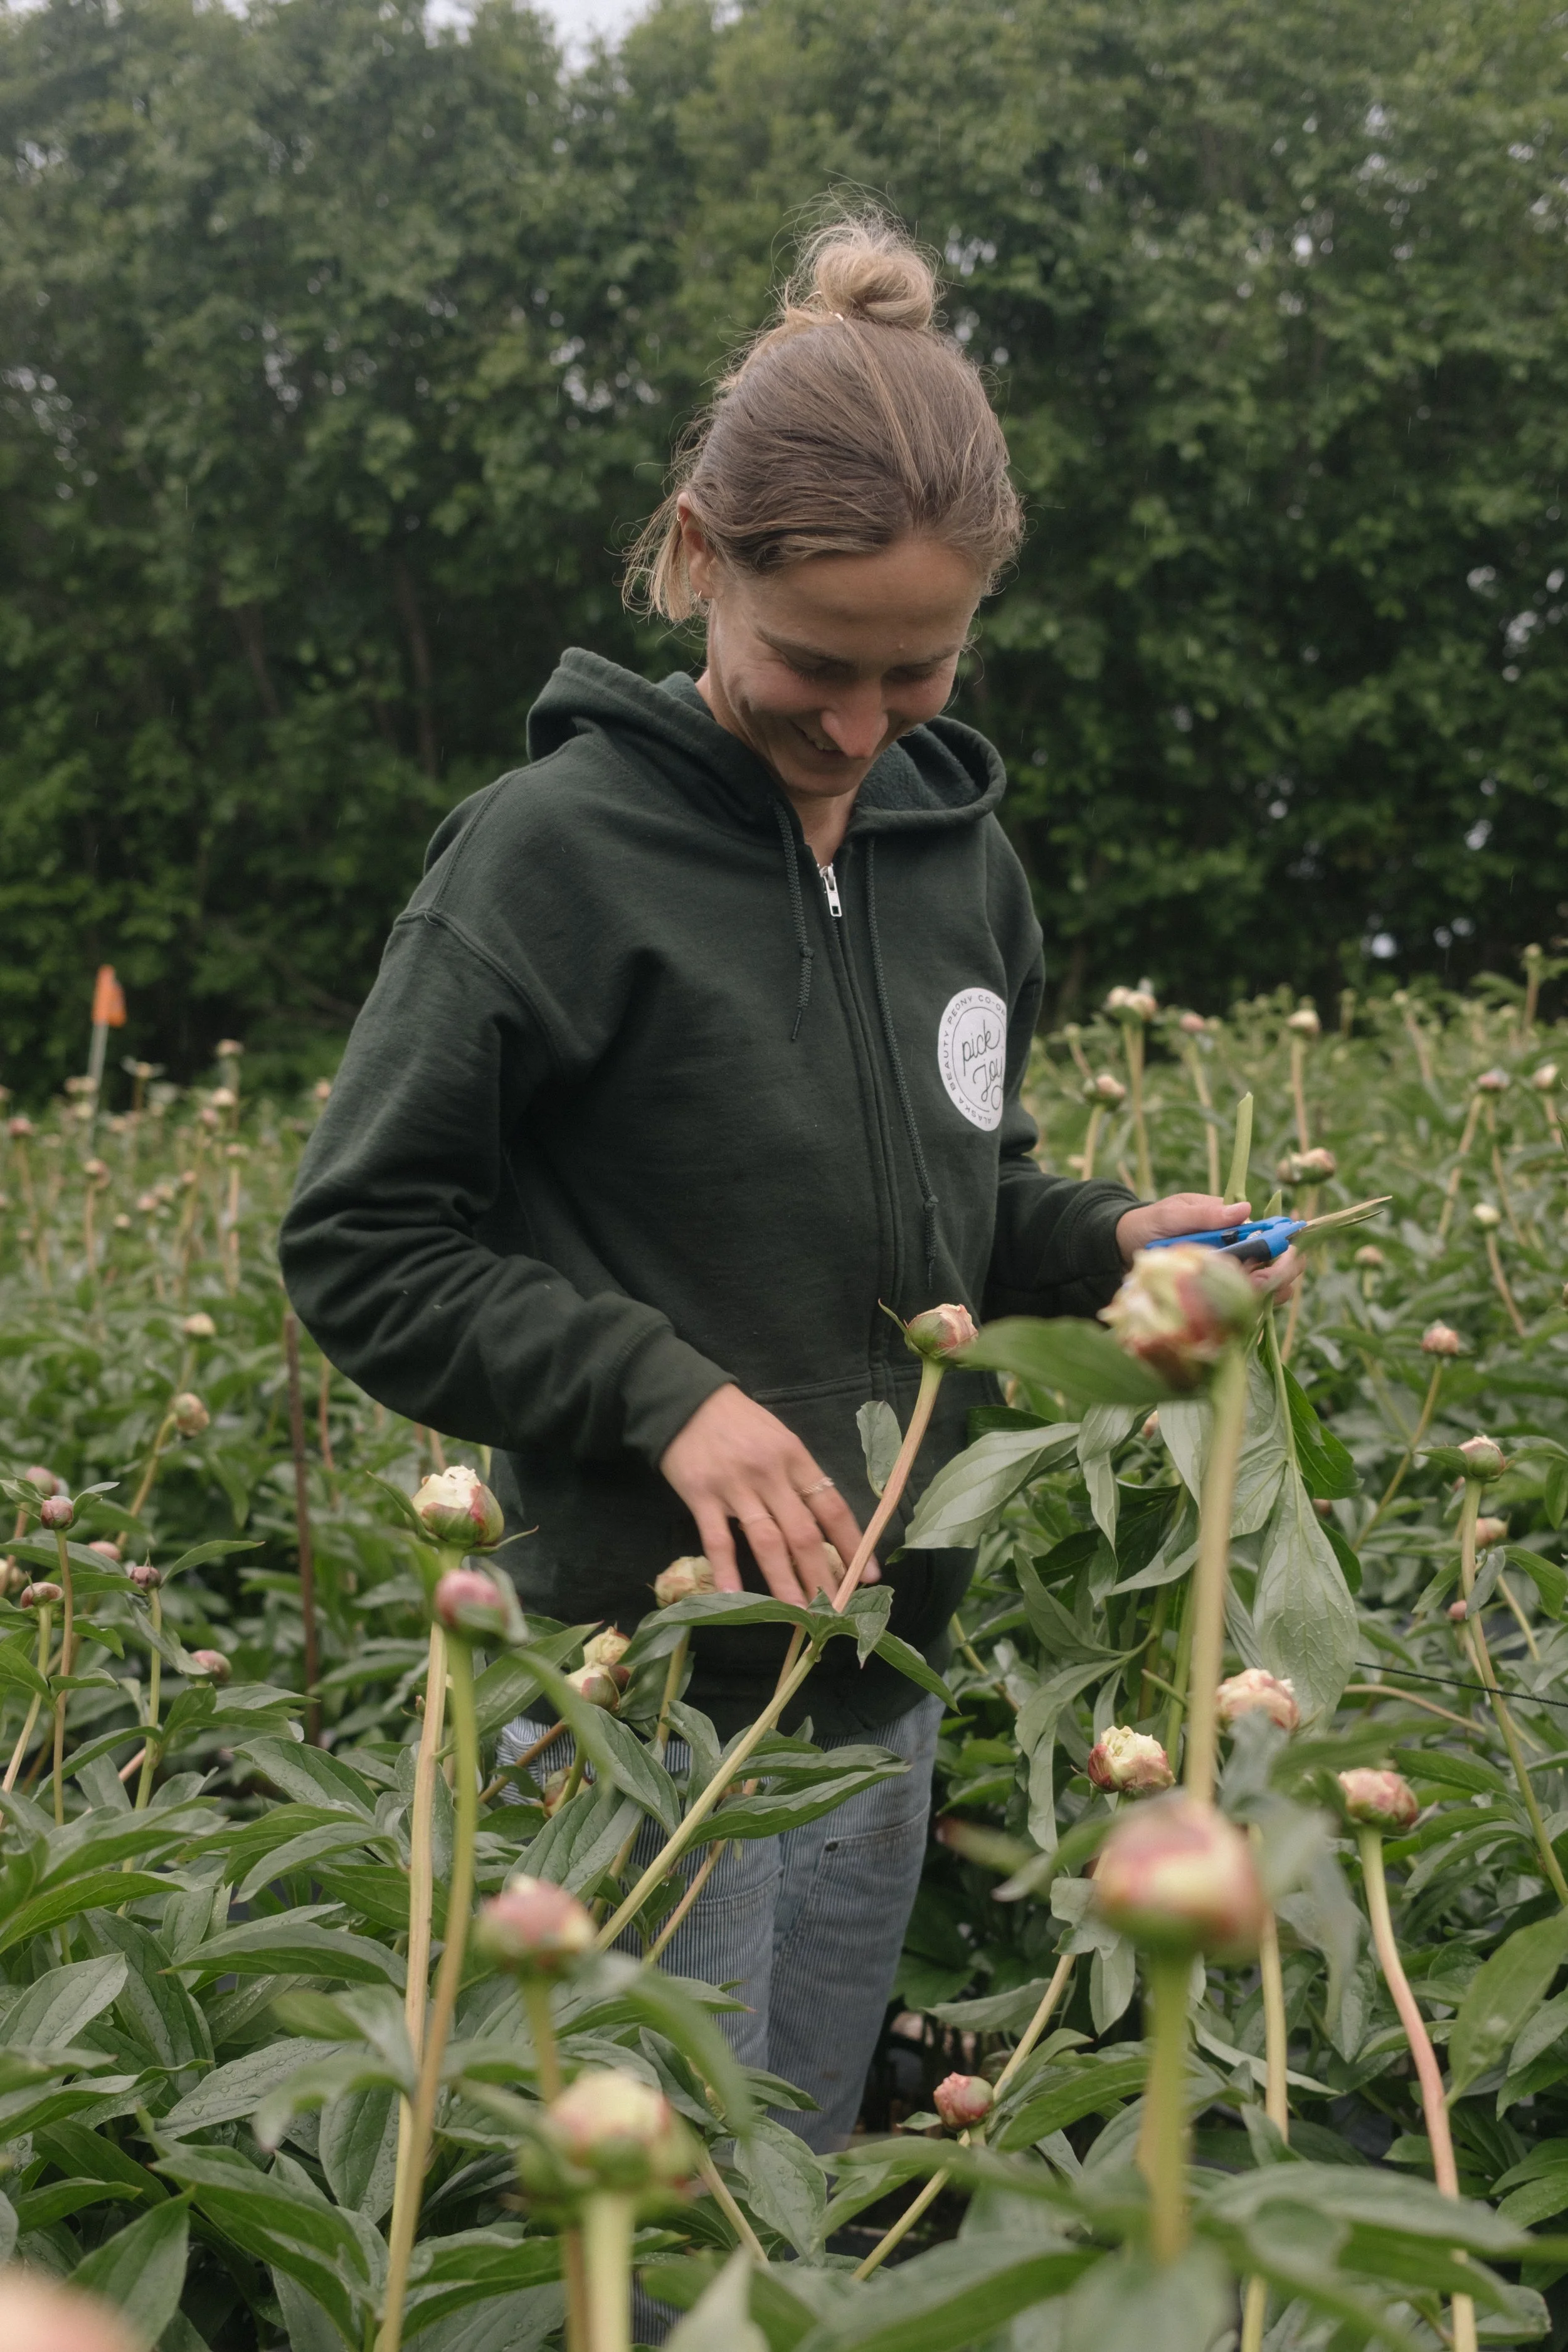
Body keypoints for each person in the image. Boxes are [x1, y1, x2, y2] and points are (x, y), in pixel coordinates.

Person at [279, 213, 1287, 2154]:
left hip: (882, 1670)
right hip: (632, 1694)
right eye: (811, 665)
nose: (853, 730)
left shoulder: (960, 861)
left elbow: (959, 1205)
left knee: (795, 2186)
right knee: (648, 2233)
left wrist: (1106, 1246)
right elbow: (362, 1239)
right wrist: (668, 1397)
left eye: (916, 677)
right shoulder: (545, 858)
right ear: (694, 556)